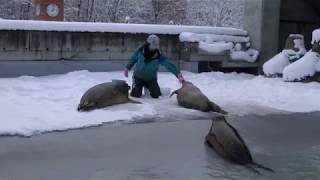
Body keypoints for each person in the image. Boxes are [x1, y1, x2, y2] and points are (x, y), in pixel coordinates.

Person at [124, 34, 184, 98]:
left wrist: (178, 75)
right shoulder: (140, 52)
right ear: (147, 44)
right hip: (138, 77)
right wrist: (127, 68)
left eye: (154, 47)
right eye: (152, 47)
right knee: (136, 94)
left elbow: (169, 65)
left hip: (151, 79)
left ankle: (150, 87)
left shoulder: (159, 56)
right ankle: (140, 86)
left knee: (156, 95)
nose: (153, 49)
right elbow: (133, 59)